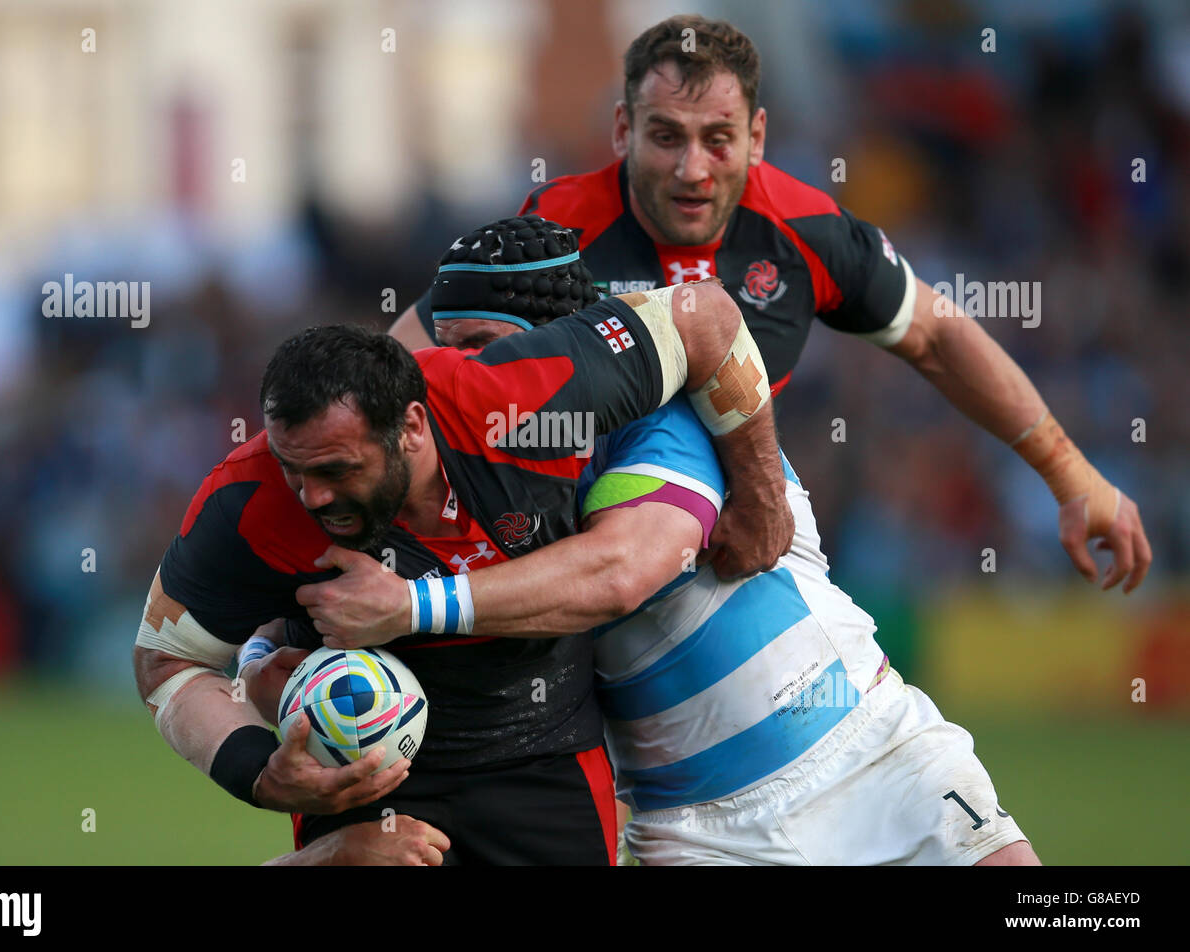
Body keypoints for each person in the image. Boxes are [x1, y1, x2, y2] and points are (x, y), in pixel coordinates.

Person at [302, 216, 1036, 865]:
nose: (466, 378)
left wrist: (411, 605)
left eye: (487, 349)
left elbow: (624, 569)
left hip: (869, 753)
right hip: (695, 831)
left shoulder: (669, 418)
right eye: (451, 352)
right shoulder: (462, 479)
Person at [389, 13, 1151, 593]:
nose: (693, 167)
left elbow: (941, 337)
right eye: (666, 136)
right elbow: (411, 360)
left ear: (756, 136)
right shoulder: (552, 228)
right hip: (575, 559)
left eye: (718, 138)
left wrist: (1072, 475)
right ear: (622, 132)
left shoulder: (807, 230)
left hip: (740, 546)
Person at [132, 219, 785, 865]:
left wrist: (759, 494)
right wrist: (260, 774)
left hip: (544, 760)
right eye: (292, 468)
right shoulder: (248, 497)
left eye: (337, 471)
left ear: (412, 428)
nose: (312, 497)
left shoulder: (518, 401)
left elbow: (706, 316)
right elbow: (165, 661)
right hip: (361, 783)